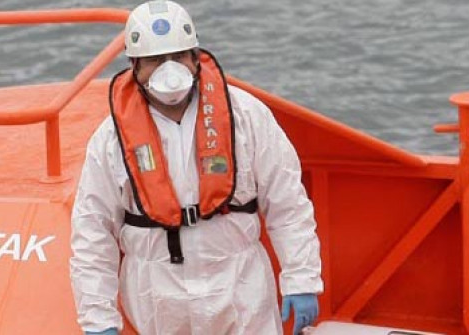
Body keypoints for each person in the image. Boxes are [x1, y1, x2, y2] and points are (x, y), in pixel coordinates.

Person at [69, 1, 322, 334]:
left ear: (195, 57)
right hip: (158, 296)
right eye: (156, 60)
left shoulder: (245, 116)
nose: (169, 69)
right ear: (135, 65)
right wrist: (98, 318)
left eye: (178, 57)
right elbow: (93, 231)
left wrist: (301, 278)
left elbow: (287, 202)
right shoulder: (110, 139)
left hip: (241, 287)